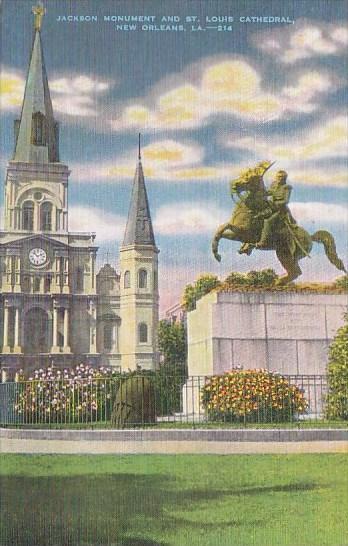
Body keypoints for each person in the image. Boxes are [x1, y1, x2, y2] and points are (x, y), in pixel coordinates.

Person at [255, 170, 296, 249]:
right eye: (278, 177)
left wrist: (275, 203)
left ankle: (262, 242)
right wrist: (260, 192)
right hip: (271, 207)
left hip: (281, 210)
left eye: (281, 177)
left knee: (268, 221)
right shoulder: (274, 184)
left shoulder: (287, 188)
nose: (279, 178)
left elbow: (286, 201)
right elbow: (269, 192)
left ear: (285, 178)